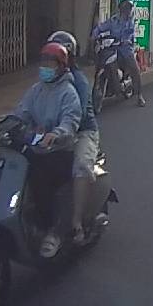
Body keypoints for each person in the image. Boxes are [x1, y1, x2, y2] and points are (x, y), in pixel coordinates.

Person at [11, 40, 83, 257]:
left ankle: (53, 230)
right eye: (43, 63)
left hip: (60, 151)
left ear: (61, 67)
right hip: (37, 147)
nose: (45, 67)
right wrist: (5, 124)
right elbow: (21, 113)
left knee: (43, 179)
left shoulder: (68, 93)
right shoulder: (36, 90)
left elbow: (71, 121)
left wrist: (56, 134)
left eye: (50, 64)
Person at [45, 31, 101, 255]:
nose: (50, 64)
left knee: (81, 166)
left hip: (82, 132)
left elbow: (76, 117)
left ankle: (76, 222)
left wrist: (56, 131)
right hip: (55, 133)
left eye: (56, 58)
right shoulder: (44, 84)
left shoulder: (78, 82)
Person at [91, 0, 146, 107]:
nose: (128, 11)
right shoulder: (113, 20)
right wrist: (94, 36)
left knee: (134, 70)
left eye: (129, 9)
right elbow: (101, 27)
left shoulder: (130, 22)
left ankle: (139, 95)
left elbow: (129, 33)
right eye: (126, 9)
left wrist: (124, 40)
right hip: (112, 48)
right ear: (121, 10)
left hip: (126, 49)